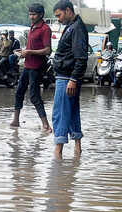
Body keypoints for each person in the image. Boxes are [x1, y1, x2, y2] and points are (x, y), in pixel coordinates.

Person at [52, 0, 88, 158]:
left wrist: (73, 79)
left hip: (67, 77)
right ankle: (77, 149)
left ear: (68, 10)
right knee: (72, 112)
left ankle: (58, 151)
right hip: (68, 76)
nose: (58, 19)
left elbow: (81, 58)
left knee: (60, 112)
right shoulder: (72, 26)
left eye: (59, 15)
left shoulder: (77, 28)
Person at [10, 3, 52, 132]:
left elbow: (47, 50)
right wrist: (24, 52)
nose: (31, 17)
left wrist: (29, 52)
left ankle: (46, 125)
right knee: (19, 92)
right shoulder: (32, 26)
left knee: (34, 96)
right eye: (30, 14)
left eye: (33, 14)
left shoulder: (45, 29)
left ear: (41, 15)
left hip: (37, 67)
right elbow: (32, 47)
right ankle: (16, 120)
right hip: (27, 64)